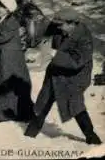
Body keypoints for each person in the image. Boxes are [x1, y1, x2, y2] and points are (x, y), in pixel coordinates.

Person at [24, 8, 102, 145]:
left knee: (75, 105)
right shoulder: (61, 26)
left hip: (75, 76)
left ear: (72, 23)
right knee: (43, 101)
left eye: (61, 25)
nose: (58, 28)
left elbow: (76, 62)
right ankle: (30, 133)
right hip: (56, 71)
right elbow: (43, 31)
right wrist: (36, 20)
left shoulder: (84, 38)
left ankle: (92, 137)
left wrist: (54, 54)